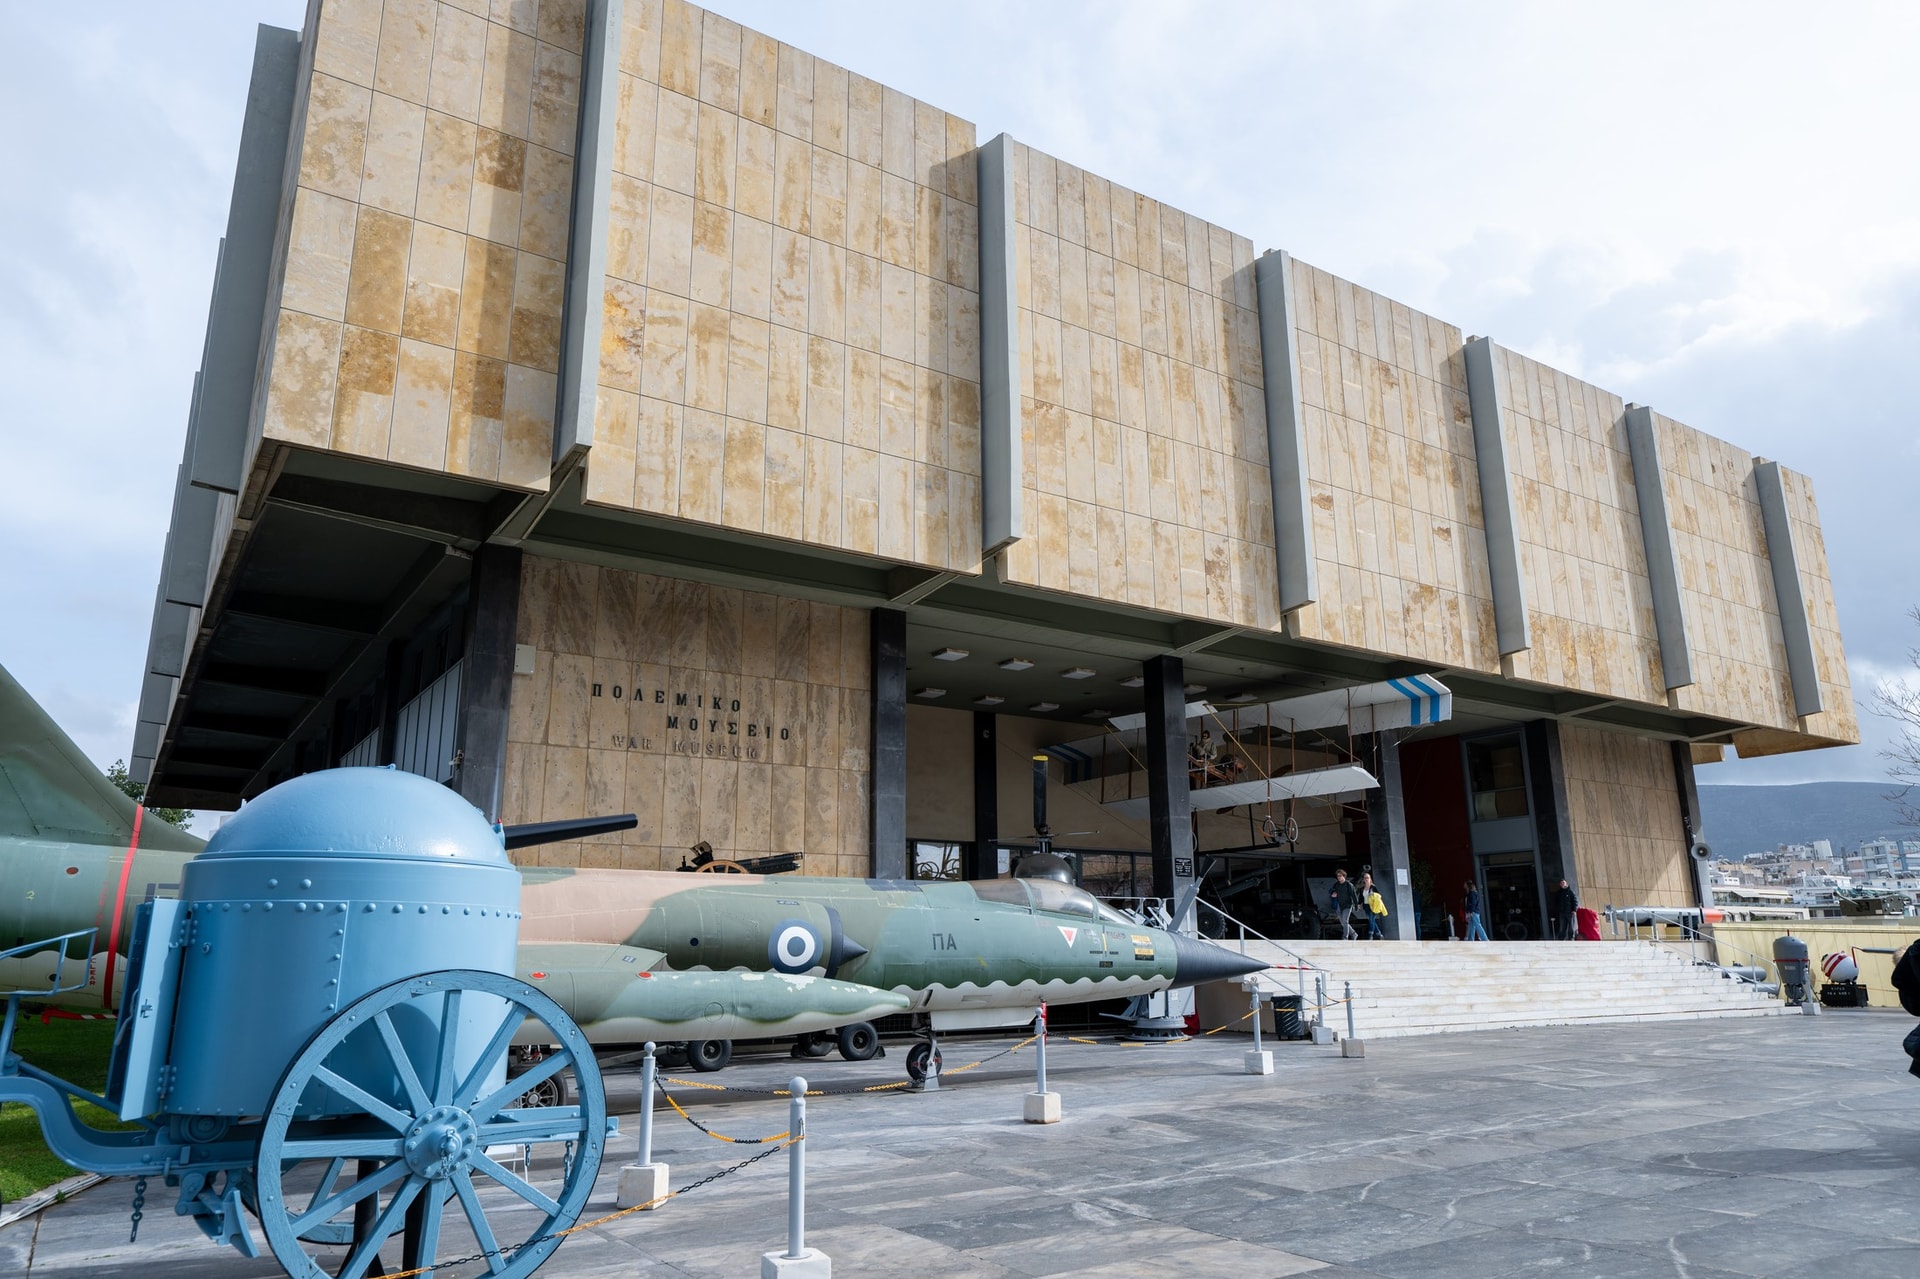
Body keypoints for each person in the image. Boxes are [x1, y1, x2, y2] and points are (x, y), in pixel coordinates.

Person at [1329, 868, 1358, 940]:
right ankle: (1354, 934)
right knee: (1343, 923)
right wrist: (1332, 893)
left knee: (1345, 921)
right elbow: (1331, 890)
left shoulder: (1349, 885)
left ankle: (1345, 937)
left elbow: (1354, 895)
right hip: (1339, 905)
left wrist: (1356, 905)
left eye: (1340, 876)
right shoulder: (1336, 884)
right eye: (1337, 876)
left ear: (1344, 876)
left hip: (1347, 905)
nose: (1338, 877)